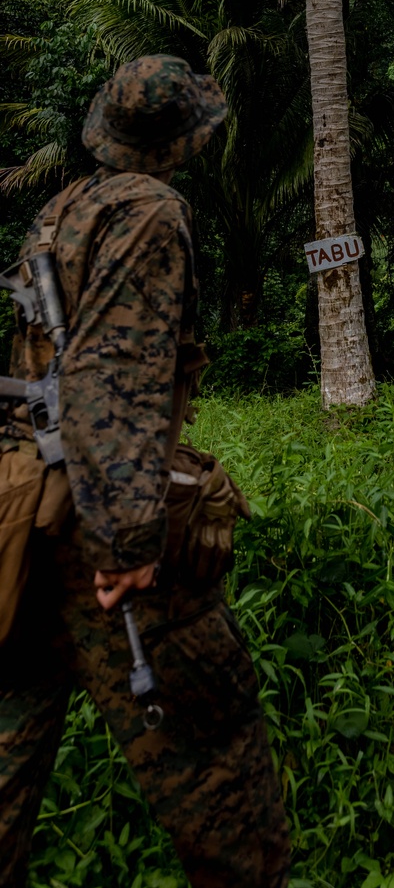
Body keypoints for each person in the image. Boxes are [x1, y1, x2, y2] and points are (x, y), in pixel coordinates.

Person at [0, 55, 290, 888]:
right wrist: (127, 538)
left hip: (27, 520)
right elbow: (110, 373)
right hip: (101, 528)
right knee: (223, 770)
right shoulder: (154, 211)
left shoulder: (61, 209)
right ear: (186, 137)